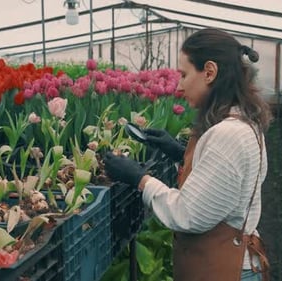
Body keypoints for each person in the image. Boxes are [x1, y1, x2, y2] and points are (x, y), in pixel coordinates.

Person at [104, 28, 272, 281]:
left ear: (209, 72)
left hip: (225, 270)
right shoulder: (243, 123)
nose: (180, 85)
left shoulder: (228, 134)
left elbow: (188, 215)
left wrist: (140, 179)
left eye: (184, 74)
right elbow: (226, 183)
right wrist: (180, 153)